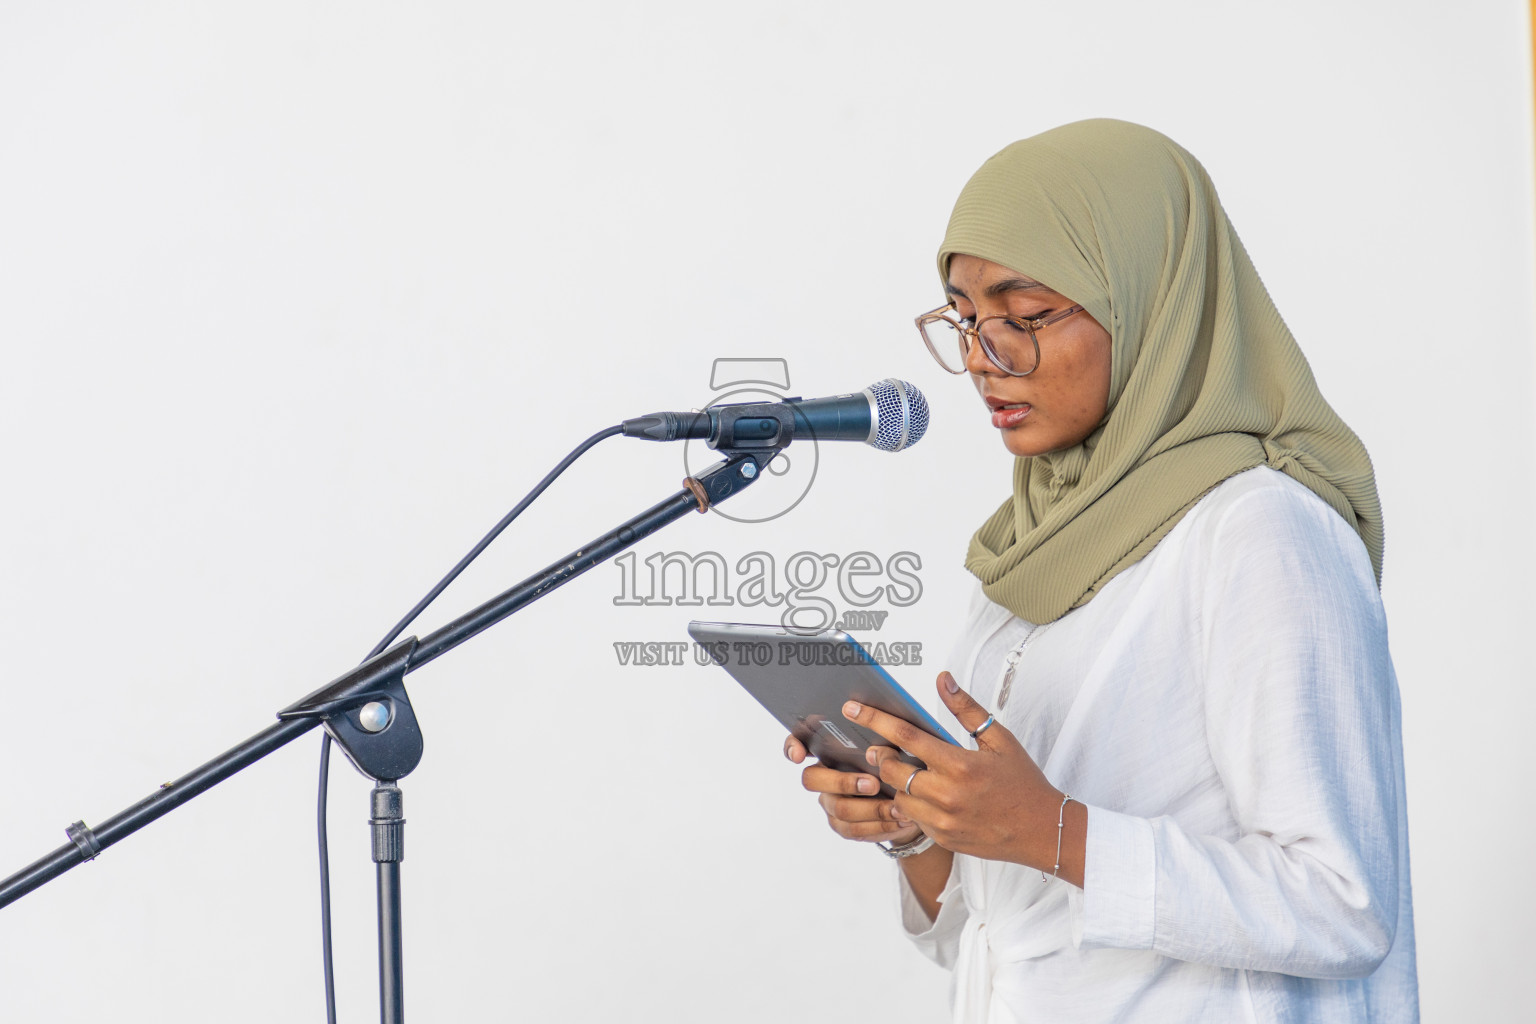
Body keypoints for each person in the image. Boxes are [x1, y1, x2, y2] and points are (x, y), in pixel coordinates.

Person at [784, 119, 1418, 1022]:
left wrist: (1053, 832)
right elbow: (1000, 937)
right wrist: (918, 829)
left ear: (1149, 299)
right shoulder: (1031, 550)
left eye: (1026, 315)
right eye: (964, 317)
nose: (979, 357)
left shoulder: (1262, 530)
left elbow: (1344, 905)